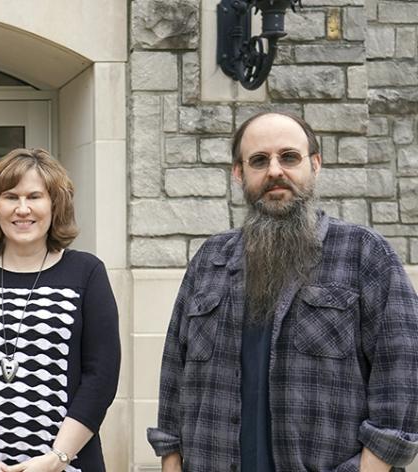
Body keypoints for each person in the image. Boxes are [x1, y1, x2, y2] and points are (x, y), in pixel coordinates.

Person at [147, 111, 418, 471]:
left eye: (289, 157)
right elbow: (173, 375)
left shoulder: (364, 254)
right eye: (259, 160)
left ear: (315, 165)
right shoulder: (210, 259)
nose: (275, 170)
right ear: (239, 174)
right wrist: (170, 460)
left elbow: (402, 377)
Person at [0, 148, 121, 472]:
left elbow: (100, 377)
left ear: (54, 204)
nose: (22, 209)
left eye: (35, 196)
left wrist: (56, 460)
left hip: (68, 466)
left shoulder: (87, 273)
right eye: (10, 196)